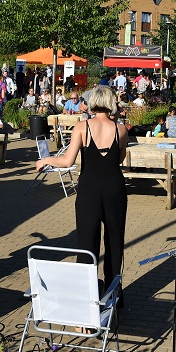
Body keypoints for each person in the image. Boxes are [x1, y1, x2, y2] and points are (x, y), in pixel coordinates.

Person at [36, 85, 128, 294]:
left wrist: (45, 160)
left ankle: (86, 295)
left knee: (87, 243)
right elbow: (119, 159)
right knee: (114, 241)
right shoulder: (121, 129)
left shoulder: (82, 127)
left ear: (93, 102)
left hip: (89, 190)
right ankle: (114, 293)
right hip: (114, 188)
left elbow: (67, 161)